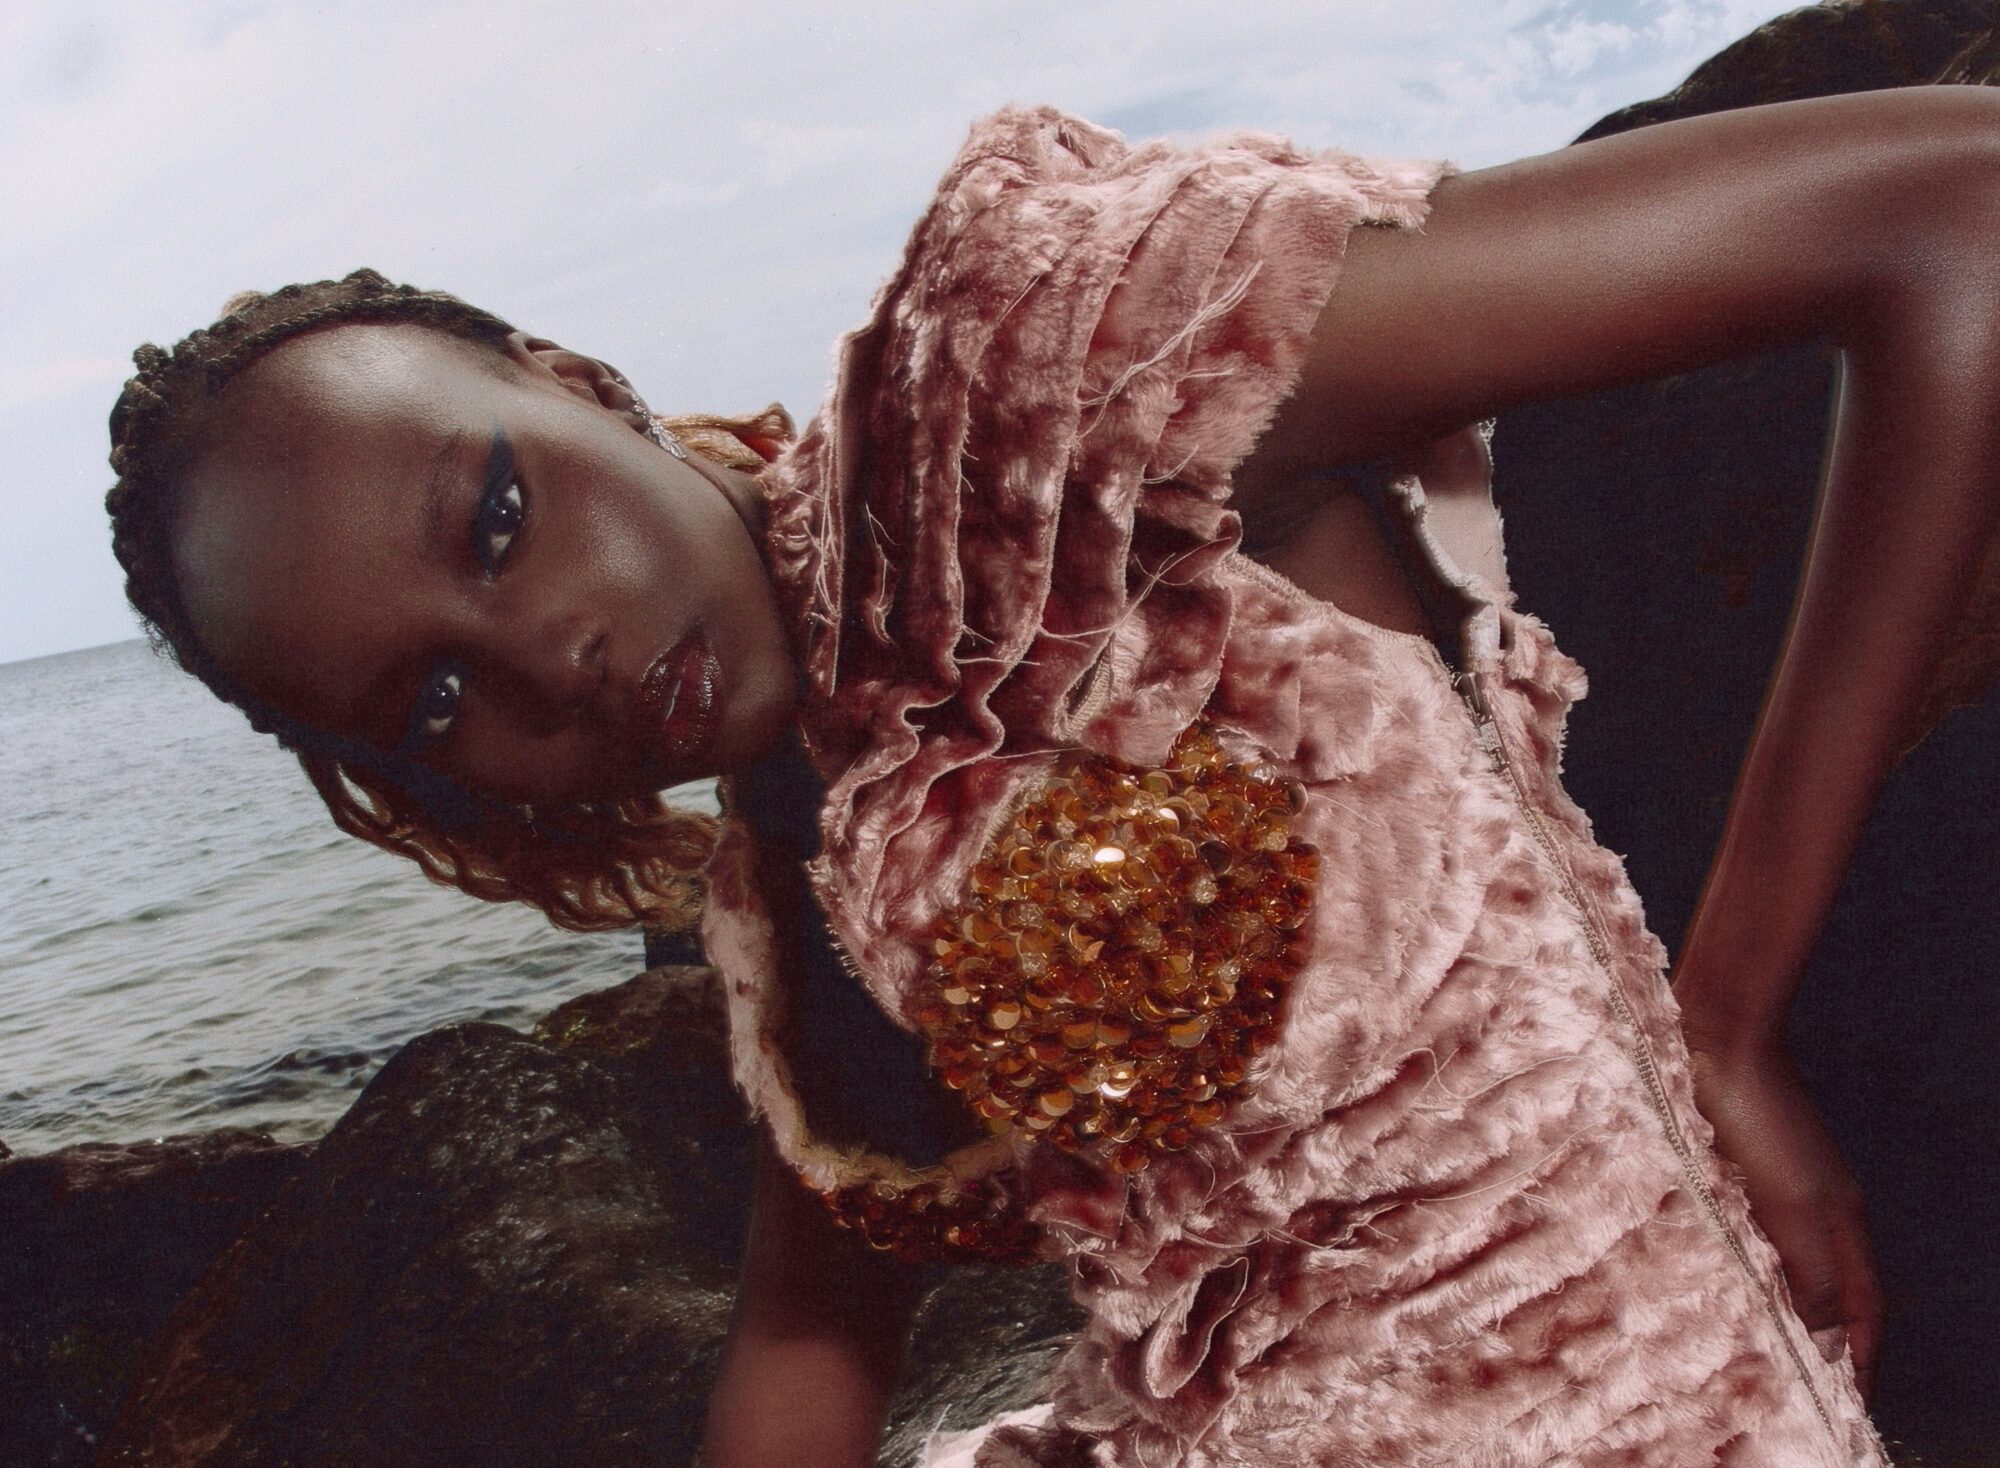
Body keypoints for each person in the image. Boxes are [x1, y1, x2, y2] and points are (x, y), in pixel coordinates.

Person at [101, 85, 2000, 1465]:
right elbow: (805, 1324)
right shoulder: (799, 861)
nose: (547, 660)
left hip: (1650, 1387)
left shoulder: (1029, 365)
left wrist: (1725, 1010)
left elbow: (1952, 214)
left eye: (500, 515)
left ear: (570, 381)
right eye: (430, 703)